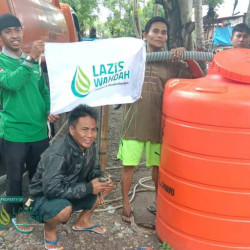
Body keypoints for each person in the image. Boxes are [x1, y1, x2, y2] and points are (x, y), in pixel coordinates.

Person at [117, 16, 204, 222]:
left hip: (159, 125)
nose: (159, 35)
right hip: (133, 123)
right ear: (145, 35)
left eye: (163, 32)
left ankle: (159, 202)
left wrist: (188, 55)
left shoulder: (172, 62)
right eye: (155, 31)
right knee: (128, 166)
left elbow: (199, 78)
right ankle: (125, 203)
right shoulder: (132, 58)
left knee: (159, 168)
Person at [0, 13, 59, 232]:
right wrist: (31, 59)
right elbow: (11, 83)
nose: (14, 35)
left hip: (38, 131)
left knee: (38, 174)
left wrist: (49, 110)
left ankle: (35, 206)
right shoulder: (3, 62)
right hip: (14, 131)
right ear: (1, 37)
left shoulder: (31, 60)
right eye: (8, 31)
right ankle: (15, 214)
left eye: (17, 30)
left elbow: (42, 90)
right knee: (14, 179)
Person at [28, 104, 114, 250]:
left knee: (105, 185)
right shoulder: (59, 153)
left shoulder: (89, 146)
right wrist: (88, 188)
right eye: (85, 129)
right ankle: (49, 231)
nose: (90, 135)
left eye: (93, 130)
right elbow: (51, 190)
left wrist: (101, 177)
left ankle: (83, 222)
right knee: (64, 209)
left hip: (70, 189)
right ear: (72, 130)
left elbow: (94, 170)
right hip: (40, 199)